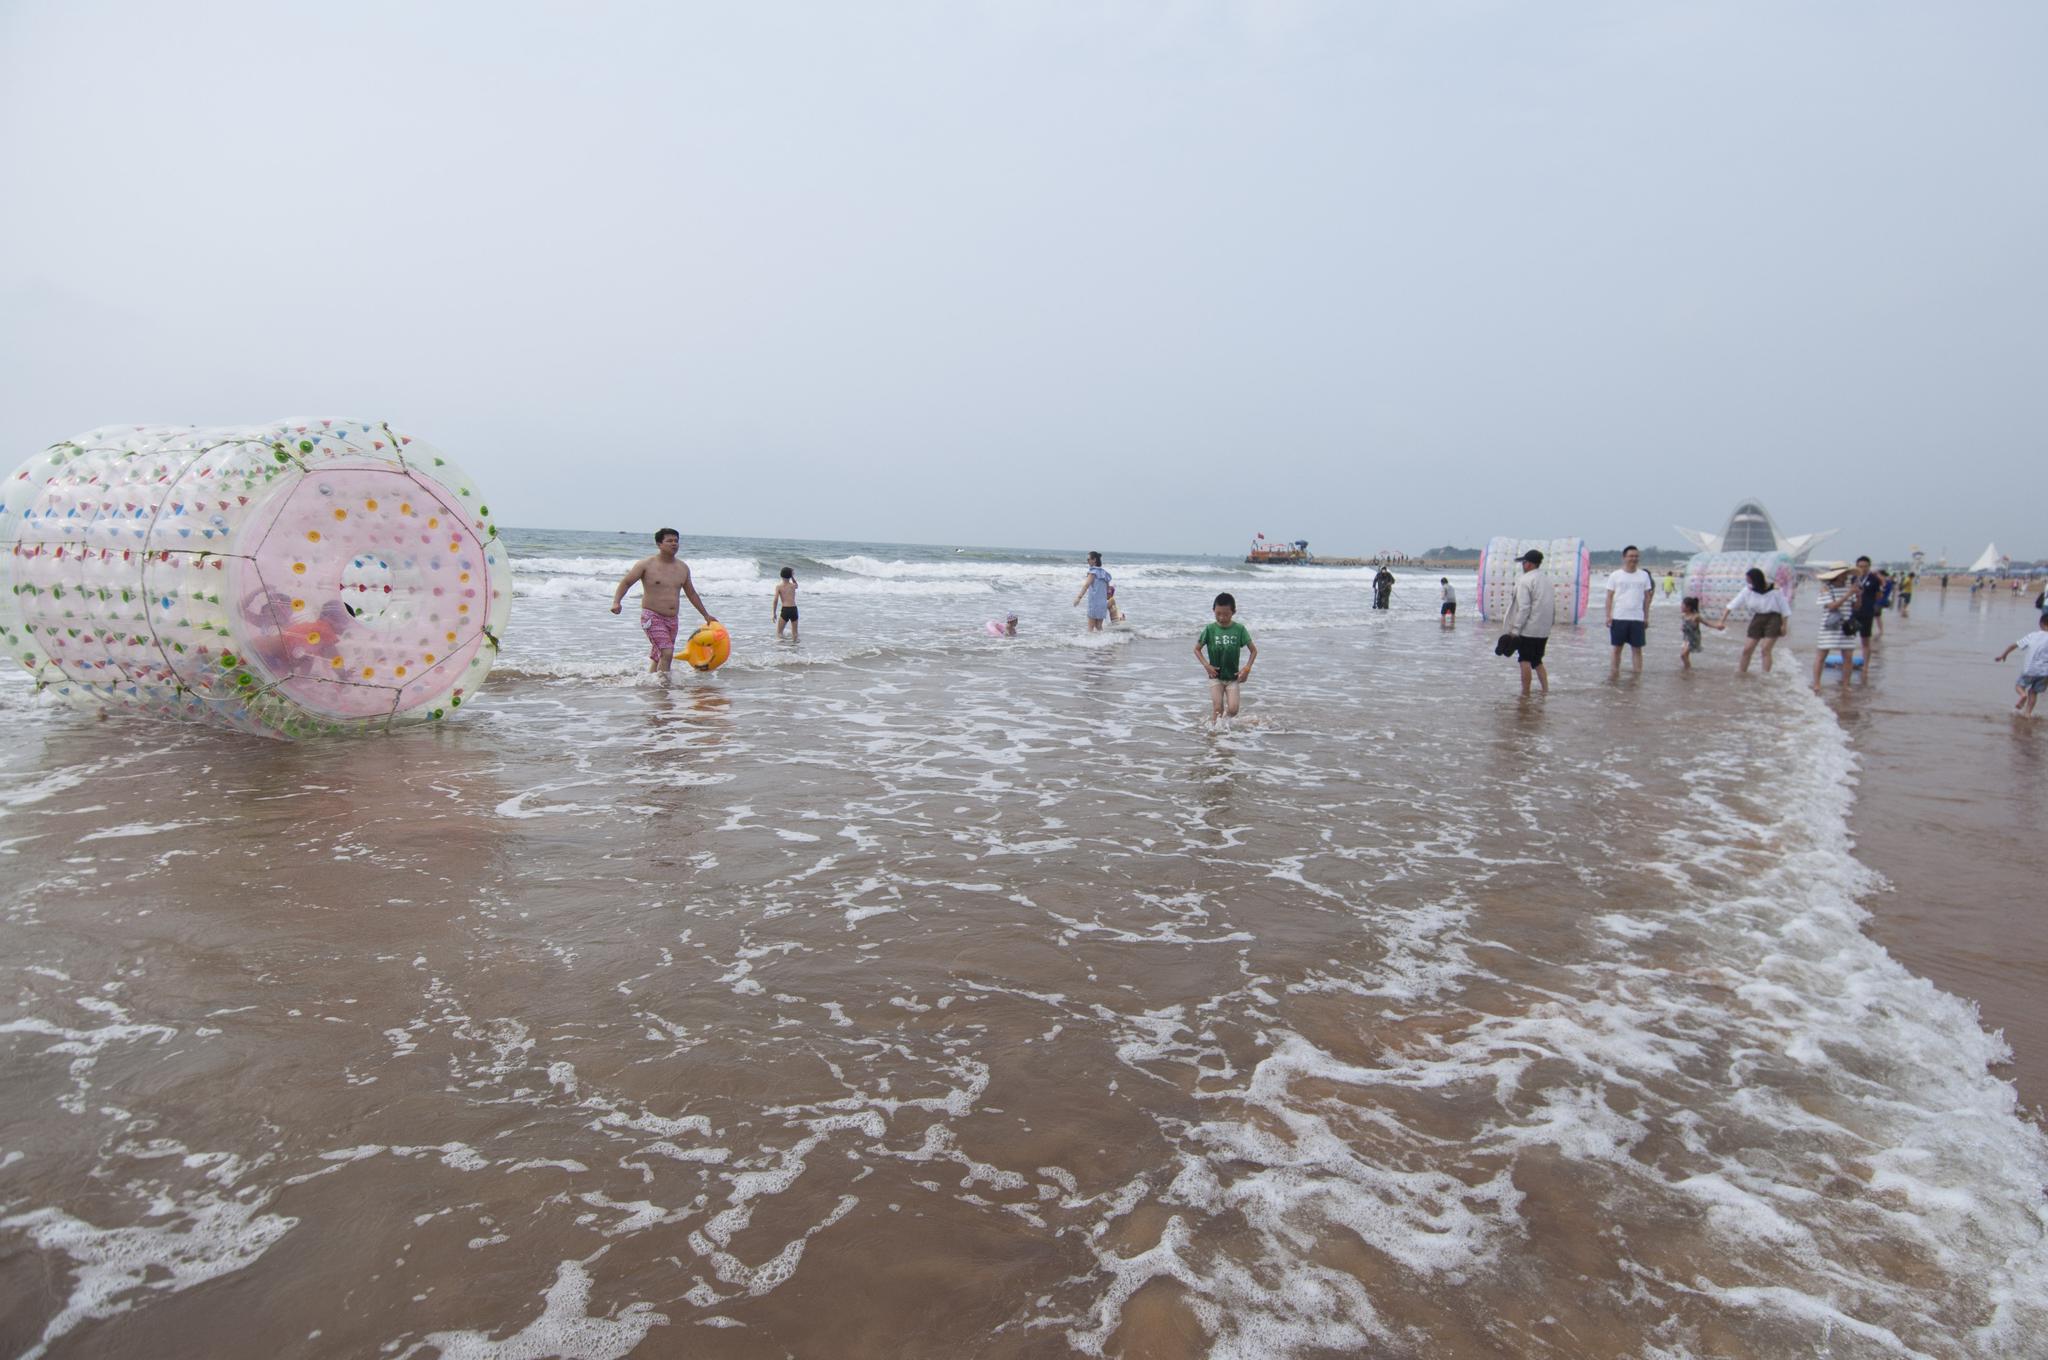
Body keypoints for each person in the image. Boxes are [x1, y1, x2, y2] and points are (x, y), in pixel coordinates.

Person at [611, 527, 717, 680]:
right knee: (667, 652)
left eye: (676, 541)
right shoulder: (646, 564)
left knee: (658, 656)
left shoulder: (682, 568)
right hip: (652, 616)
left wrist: (706, 615)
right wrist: (616, 602)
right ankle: (663, 688)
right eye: (669, 541)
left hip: (672, 619)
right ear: (659, 544)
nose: (674, 544)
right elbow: (626, 582)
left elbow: (691, 593)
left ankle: (650, 684)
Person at [1195, 591, 1256, 722]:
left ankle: (1223, 726)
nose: (1222, 618)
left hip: (1232, 677)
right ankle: (1214, 734)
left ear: (1233, 612)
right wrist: (1207, 665)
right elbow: (1197, 649)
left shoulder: (1239, 629)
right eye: (1218, 614)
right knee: (1217, 709)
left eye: (1226, 614)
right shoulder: (1210, 629)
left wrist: (1246, 670)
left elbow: (1254, 651)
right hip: (1215, 677)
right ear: (1213, 610)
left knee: (1233, 710)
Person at [1716, 566, 1789, 673]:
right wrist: (1721, 621)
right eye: (1747, 581)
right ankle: (1742, 673)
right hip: (1758, 618)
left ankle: (1765, 676)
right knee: (1747, 649)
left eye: (1750, 581)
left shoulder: (1775, 589)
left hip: (1774, 618)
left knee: (1765, 649)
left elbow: (1784, 608)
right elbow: (1732, 605)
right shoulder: (1748, 590)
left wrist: (1784, 626)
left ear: (1757, 579)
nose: (1749, 583)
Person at [1502, 548, 1554, 696]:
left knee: (1524, 660)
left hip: (1529, 628)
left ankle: (1525, 693)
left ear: (1529, 564)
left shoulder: (1525, 580)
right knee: (1537, 661)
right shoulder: (1546, 580)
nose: (1522, 565)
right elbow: (1551, 606)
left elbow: (1524, 608)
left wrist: (1515, 629)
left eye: (1523, 562)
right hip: (1543, 629)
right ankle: (1545, 690)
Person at [1603, 545, 1655, 678]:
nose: (1634, 559)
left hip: (1637, 617)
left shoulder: (1644, 575)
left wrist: (1646, 617)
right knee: (1617, 649)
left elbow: (1647, 598)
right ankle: (1614, 675)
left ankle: (1637, 676)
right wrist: (1608, 615)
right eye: (1631, 556)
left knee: (1637, 649)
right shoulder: (1615, 575)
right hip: (1619, 617)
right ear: (1624, 557)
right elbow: (1609, 597)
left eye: (1636, 556)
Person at [1812, 566, 1860, 689]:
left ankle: (1846, 684)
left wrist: (1858, 595)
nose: (1846, 576)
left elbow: (1856, 607)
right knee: (1822, 655)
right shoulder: (1826, 589)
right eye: (1844, 574)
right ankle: (1817, 683)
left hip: (1846, 627)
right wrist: (1848, 594)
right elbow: (1832, 606)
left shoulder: (1850, 587)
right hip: (1829, 626)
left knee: (1848, 657)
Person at [1994, 613, 2048, 716]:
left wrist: (2003, 655)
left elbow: (2015, 645)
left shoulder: (2033, 635)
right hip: (2045, 672)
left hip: (2030, 669)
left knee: (2019, 686)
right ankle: (2028, 714)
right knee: (2034, 692)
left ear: (2040, 623)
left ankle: (2023, 695)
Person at [1845, 555, 1880, 669]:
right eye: (1860, 566)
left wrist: (1875, 606)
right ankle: (1848, 663)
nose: (1862, 569)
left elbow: (1878, 595)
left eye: (1865, 566)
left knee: (1865, 640)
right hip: (1854, 613)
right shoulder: (1853, 579)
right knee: (1849, 639)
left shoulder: (1874, 580)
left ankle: (1865, 666)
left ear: (1869, 566)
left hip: (1867, 614)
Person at [1073, 552, 1111, 632]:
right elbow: (1108, 590)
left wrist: (1078, 598)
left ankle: (1089, 644)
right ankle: (1104, 642)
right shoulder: (1105, 573)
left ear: (1094, 560)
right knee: (1099, 627)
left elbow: (1086, 585)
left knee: (1090, 627)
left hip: (1094, 603)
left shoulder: (1093, 572)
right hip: (1102, 604)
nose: (1087, 561)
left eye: (1088, 559)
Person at [1678, 595, 1710, 670]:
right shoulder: (1683, 616)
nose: (1681, 607)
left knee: (1683, 655)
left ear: (1688, 607)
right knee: (1685, 656)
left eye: (1683, 605)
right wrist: (1682, 627)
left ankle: (1688, 669)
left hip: (1693, 639)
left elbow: (1707, 623)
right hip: (1686, 638)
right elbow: (1684, 625)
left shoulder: (1696, 616)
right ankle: (1687, 669)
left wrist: (1717, 626)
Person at [773, 566, 799, 641]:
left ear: (781, 575)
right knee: (795, 633)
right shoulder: (793, 586)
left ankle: (781, 649)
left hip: (785, 610)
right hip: (794, 609)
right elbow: (796, 584)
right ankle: (795, 647)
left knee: (779, 632)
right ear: (790, 576)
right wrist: (792, 577)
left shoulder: (779, 586)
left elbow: (775, 600)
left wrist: (774, 613)